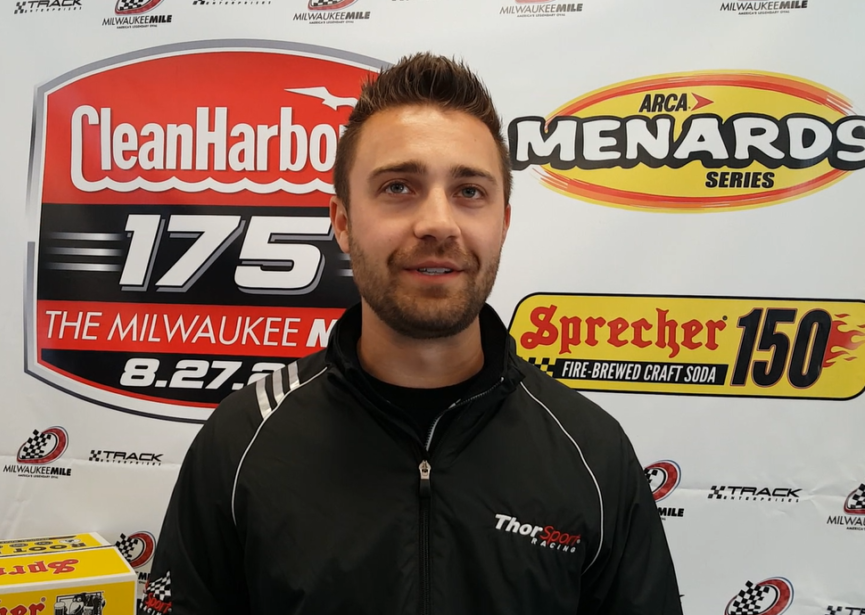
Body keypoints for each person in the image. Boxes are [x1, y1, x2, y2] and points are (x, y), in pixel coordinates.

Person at [144, 53, 683, 615]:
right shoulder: (240, 446)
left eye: (469, 191)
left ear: (502, 223)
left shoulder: (593, 455)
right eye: (399, 186)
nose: (438, 223)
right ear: (344, 222)